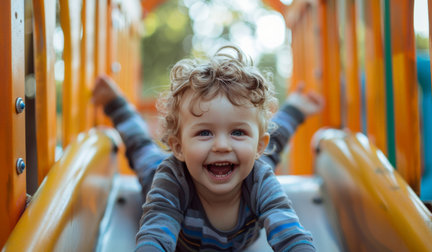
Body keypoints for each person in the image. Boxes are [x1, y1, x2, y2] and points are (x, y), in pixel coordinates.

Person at [92, 46, 323, 251]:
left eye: (237, 132)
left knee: (272, 148)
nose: (222, 146)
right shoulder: (171, 180)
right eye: (204, 133)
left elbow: (289, 230)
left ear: (257, 146)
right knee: (141, 149)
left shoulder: (259, 179)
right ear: (179, 147)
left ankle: (294, 108)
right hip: (169, 180)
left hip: (249, 166)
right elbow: (156, 231)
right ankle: (116, 104)